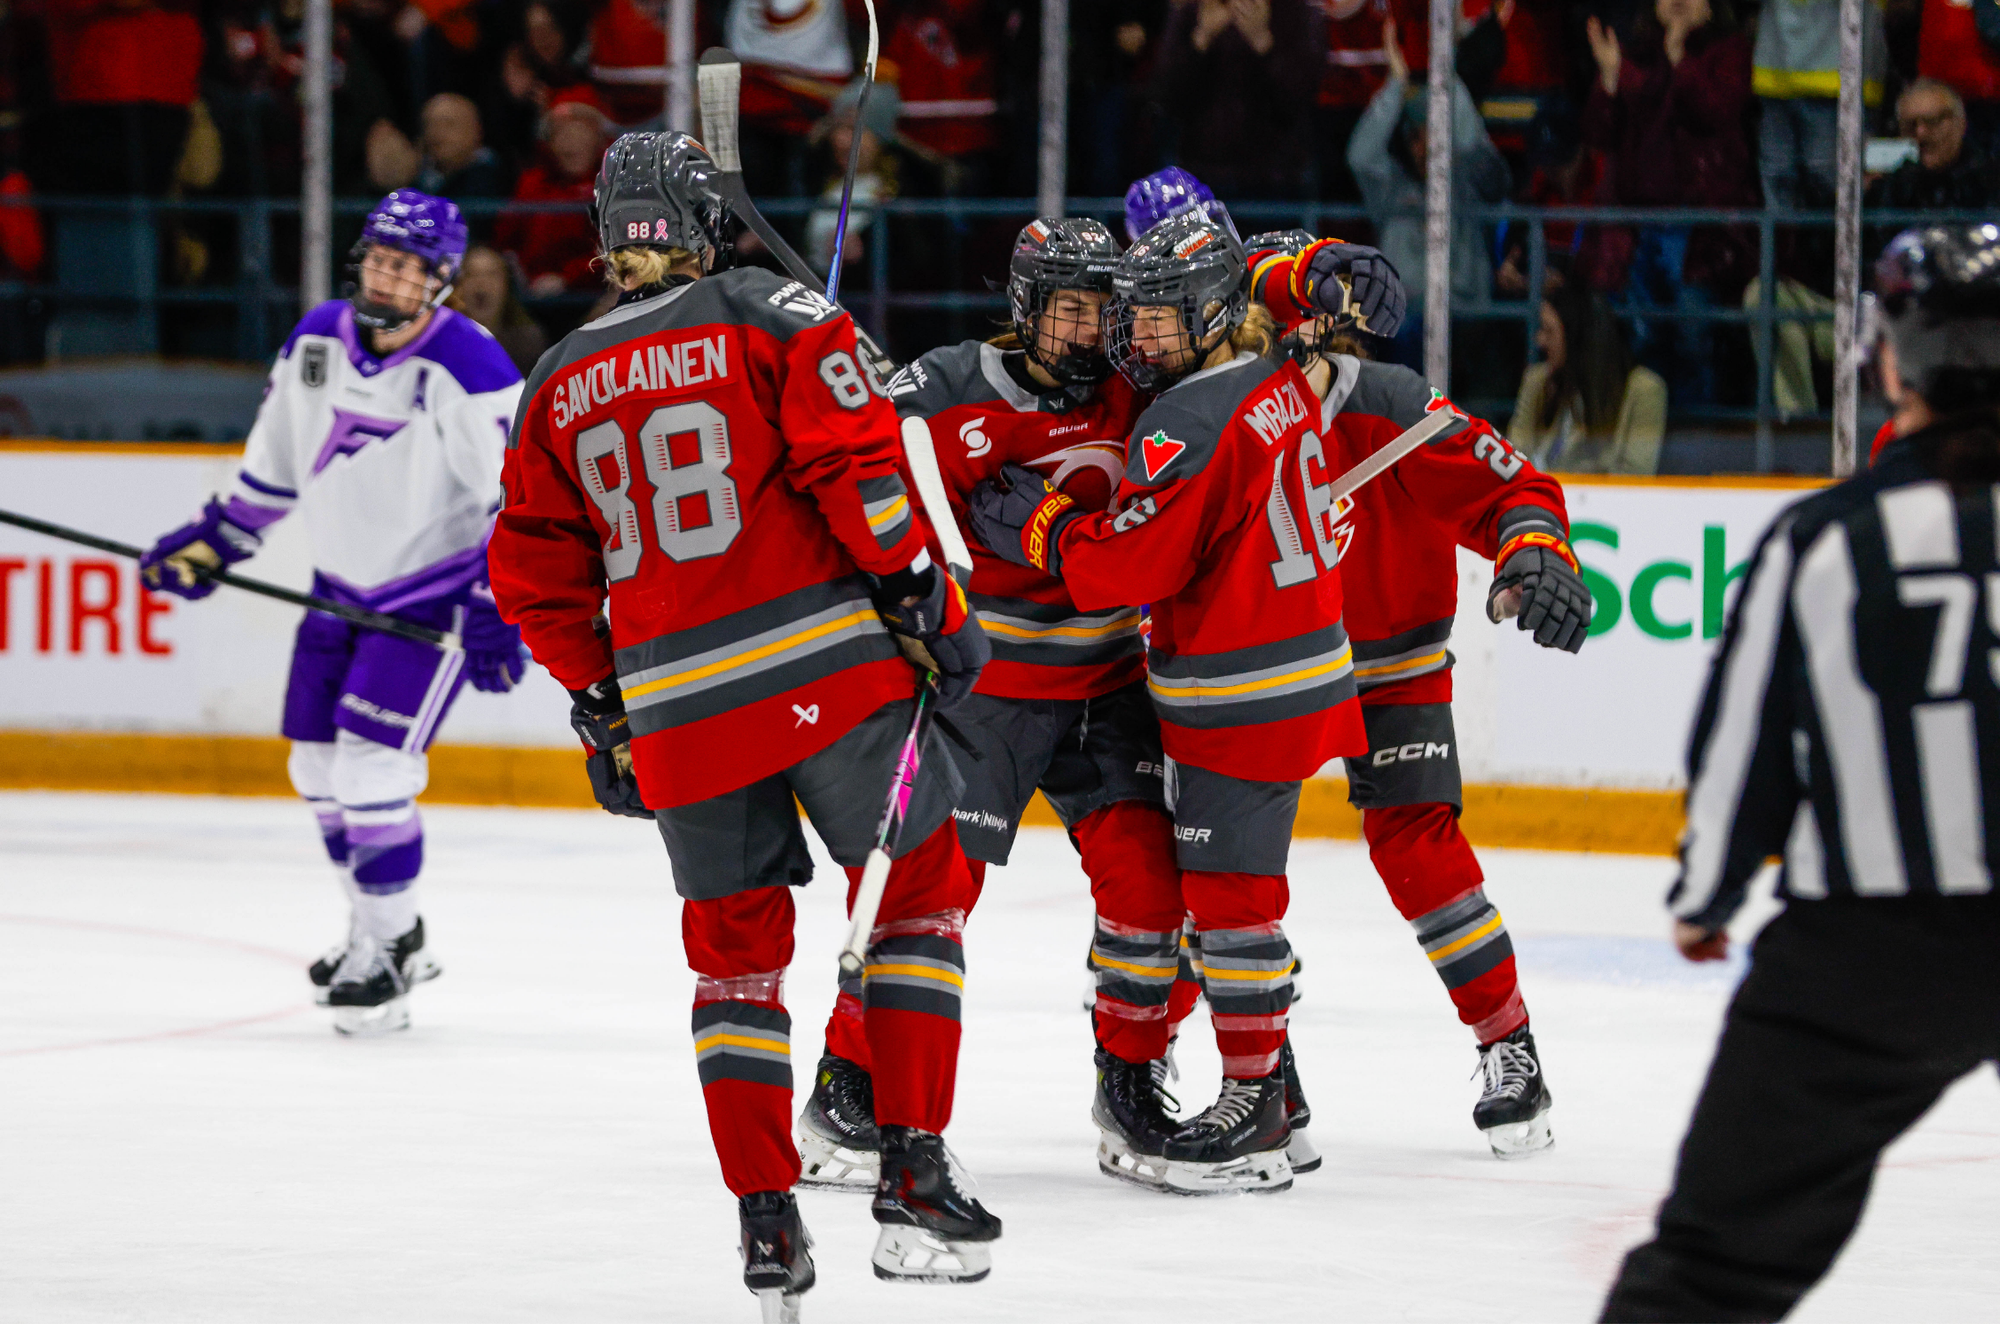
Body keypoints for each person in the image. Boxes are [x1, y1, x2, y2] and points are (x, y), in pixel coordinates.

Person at [486, 133, 1000, 1310]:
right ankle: (910, 1172)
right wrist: (926, 593)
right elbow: (856, 471)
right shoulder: (773, 310)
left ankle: (766, 1225)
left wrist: (607, 702)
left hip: (678, 715)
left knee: (735, 968)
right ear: (702, 218)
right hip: (825, 672)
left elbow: (532, 576)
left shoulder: (554, 376)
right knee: (918, 899)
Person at [1599, 222, 2000, 1320]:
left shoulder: (1828, 540)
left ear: (1888, 360)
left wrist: (1703, 896)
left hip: (1868, 948)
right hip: (1880, 934)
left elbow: (1747, 740)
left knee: (1711, 1270)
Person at [966, 211, 1367, 1193]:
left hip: (1241, 684)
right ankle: (1282, 1092)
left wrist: (1046, 526)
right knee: (1229, 894)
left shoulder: (1186, 415)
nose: (1135, 339)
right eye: (1131, 319)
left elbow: (1122, 570)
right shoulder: (1270, 373)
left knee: (1229, 897)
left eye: (1159, 320)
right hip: (1302, 660)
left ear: (1216, 311)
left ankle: (1256, 1103)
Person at [137, 191, 527, 1035]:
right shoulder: (317, 339)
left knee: (371, 771)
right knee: (316, 770)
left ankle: (392, 945)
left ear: (443, 281)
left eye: (407, 265)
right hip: (336, 589)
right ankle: (376, 933)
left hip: (433, 597)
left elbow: (523, 499)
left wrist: (501, 605)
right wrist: (215, 542)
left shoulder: (471, 367)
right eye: (379, 258)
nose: (386, 275)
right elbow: (275, 465)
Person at [1246, 229, 1591, 1154]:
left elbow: (1514, 489)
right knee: (1226, 870)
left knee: (1419, 851)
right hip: (1256, 672)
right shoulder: (1212, 409)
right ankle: (1259, 1065)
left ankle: (1509, 1043)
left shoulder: (1390, 405)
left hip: (1388, 665)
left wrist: (1533, 552)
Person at [1582, 0, 1757, 409]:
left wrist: (1681, 59)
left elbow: (1714, 111)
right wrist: (1608, 80)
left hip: (1697, 229)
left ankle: (1700, 447)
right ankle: (1650, 447)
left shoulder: (1728, 51)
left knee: (1696, 343)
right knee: (1643, 346)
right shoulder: (1635, 53)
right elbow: (1598, 133)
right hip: (1636, 226)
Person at [1346, 13, 1511, 369]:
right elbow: (1360, 156)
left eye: (1436, 133)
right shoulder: (1390, 188)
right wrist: (1396, 82)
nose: (1427, 146)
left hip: (1464, 315)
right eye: (1418, 137)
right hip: (1403, 319)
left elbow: (1472, 148)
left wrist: (1446, 71)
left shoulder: (1468, 181)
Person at [1508, 284, 1667, 475]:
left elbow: (1635, 476)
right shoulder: (1537, 380)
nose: (1539, 340)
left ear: (1577, 337)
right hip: (1533, 500)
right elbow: (1511, 460)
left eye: (1548, 331)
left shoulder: (1645, 390)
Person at [451, 243, 548, 374]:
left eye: (491, 274)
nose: (481, 283)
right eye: (471, 274)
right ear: (458, 286)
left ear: (506, 284)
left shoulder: (529, 343)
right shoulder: (443, 341)